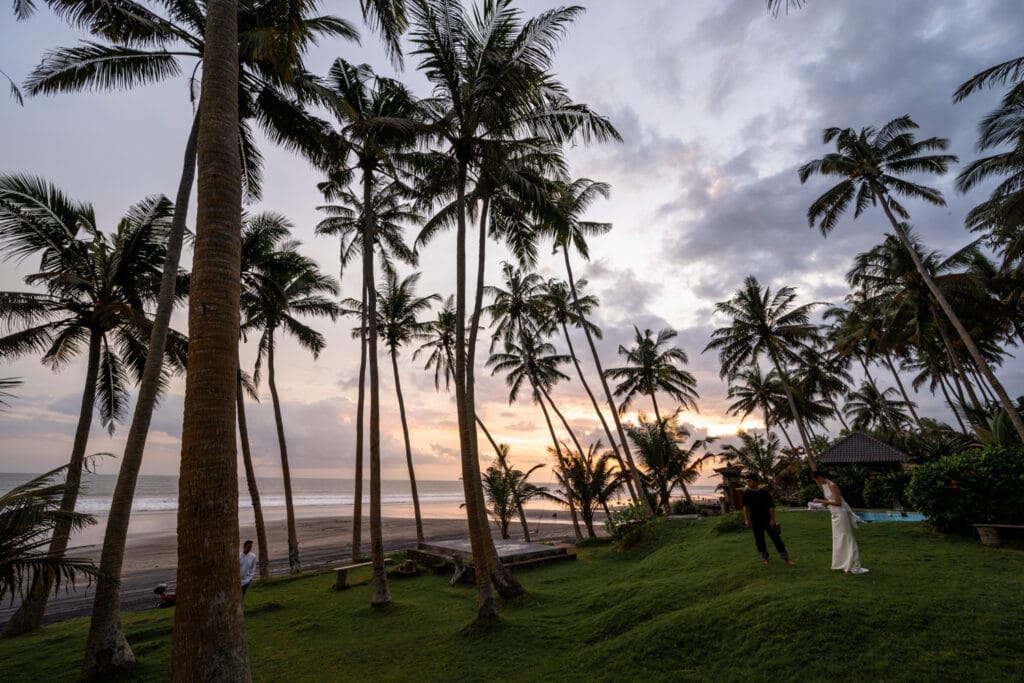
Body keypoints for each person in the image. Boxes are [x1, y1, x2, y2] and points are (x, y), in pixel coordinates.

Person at [812, 470, 869, 575]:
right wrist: (816, 506)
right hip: (834, 515)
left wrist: (821, 501)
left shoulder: (832, 485)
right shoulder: (824, 486)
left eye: (816, 480)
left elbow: (838, 502)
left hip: (841, 514)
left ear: (819, 478)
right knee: (838, 539)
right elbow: (828, 501)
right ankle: (841, 563)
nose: (816, 483)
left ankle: (854, 566)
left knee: (848, 539)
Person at [741, 473, 792, 566]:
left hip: (767, 519)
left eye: (749, 481)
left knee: (776, 538)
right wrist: (746, 519)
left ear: (755, 481)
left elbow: (771, 507)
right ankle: (765, 558)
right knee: (759, 540)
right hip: (755, 520)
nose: (748, 483)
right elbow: (745, 507)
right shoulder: (746, 494)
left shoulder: (764, 492)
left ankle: (786, 558)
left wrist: (773, 520)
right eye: (747, 481)